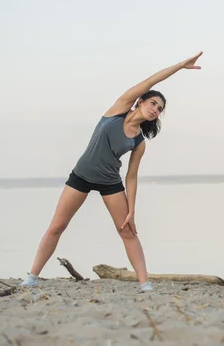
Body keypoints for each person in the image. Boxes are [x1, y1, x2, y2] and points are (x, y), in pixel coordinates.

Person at [20, 52, 204, 291]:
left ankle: (145, 284)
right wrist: (180, 66)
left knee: (128, 231)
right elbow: (150, 81)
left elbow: (131, 176)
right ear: (140, 102)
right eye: (153, 104)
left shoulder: (139, 141)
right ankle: (32, 277)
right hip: (81, 176)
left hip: (110, 183)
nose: (156, 110)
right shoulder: (119, 109)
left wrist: (132, 210)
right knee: (57, 227)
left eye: (160, 109)